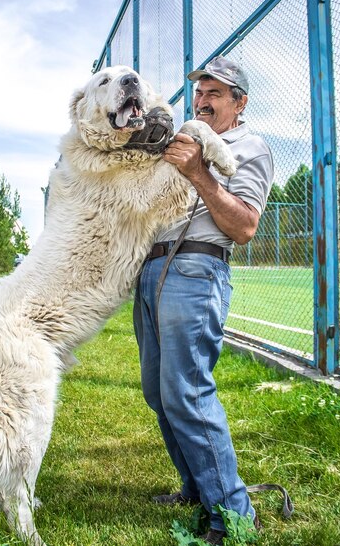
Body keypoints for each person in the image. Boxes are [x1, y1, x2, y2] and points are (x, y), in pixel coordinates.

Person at [133, 56, 274, 545]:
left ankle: (235, 515)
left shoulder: (248, 146)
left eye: (216, 94)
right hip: (151, 268)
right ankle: (198, 488)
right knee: (158, 393)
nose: (203, 101)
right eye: (199, 93)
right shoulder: (180, 137)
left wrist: (199, 172)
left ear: (240, 103)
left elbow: (245, 226)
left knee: (188, 393)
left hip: (196, 267)